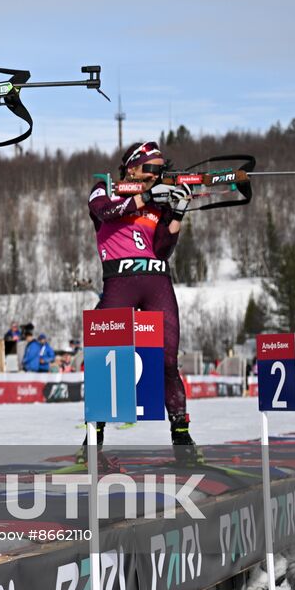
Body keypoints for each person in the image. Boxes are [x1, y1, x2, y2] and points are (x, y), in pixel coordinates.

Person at [84, 140, 197, 465]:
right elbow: (105, 211)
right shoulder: (105, 186)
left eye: (160, 169)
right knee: (104, 360)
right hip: (119, 282)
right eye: (150, 168)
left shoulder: (158, 200)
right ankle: (94, 439)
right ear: (132, 167)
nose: (156, 174)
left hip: (156, 281)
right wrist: (144, 196)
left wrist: (176, 213)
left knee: (167, 361)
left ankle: (181, 435)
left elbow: (162, 248)